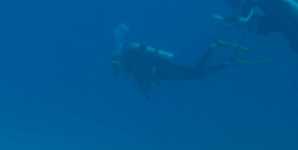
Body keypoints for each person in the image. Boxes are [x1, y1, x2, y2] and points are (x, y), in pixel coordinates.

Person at [109, 40, 256, 98]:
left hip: (162, 70)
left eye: (115, 65)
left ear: (119, 60)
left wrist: (145, 82)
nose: (117, 68)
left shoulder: (130, 63)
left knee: (197, 73)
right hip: (162, 71)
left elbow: (144, 72)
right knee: (197, 74)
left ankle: (214, 46)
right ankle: (227, 62)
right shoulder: (130, 65)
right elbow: (144, 76)